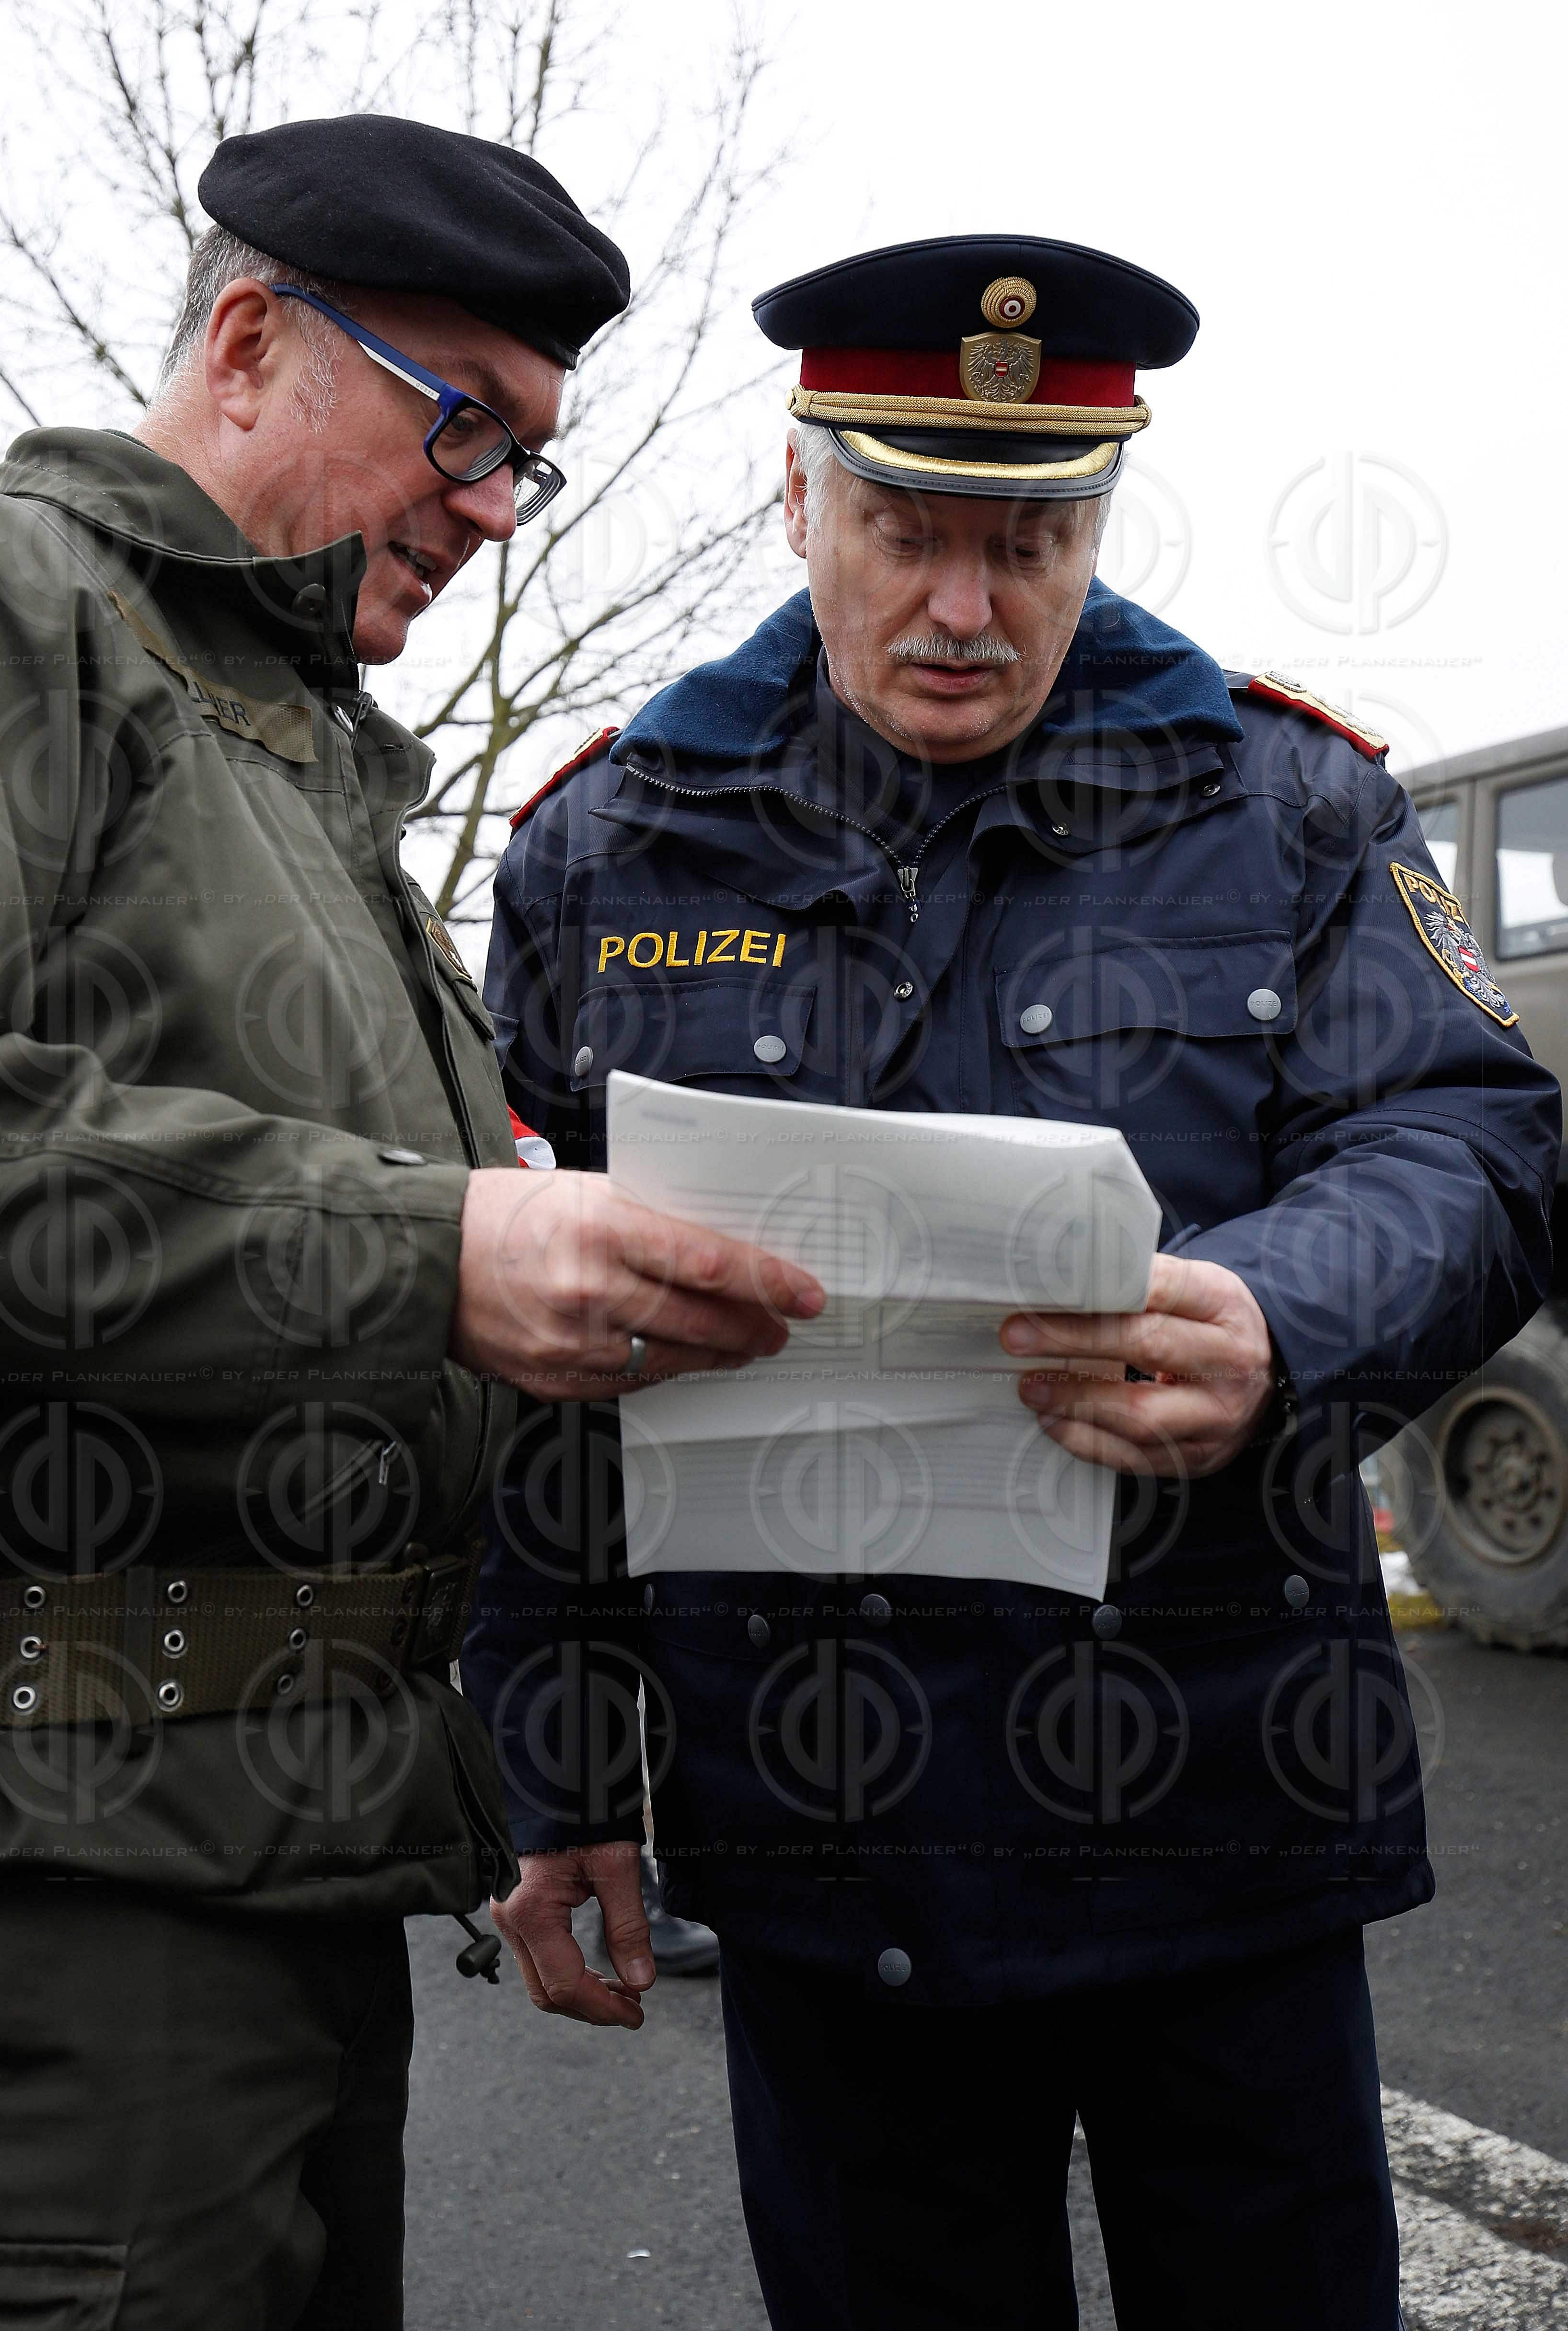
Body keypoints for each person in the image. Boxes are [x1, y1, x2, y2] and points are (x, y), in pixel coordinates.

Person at [464, 234, 1561, 2330]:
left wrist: (1276, 1311)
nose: (964, 608)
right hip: (816, 1832)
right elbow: (538, 1355)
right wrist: (558, 1762)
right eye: (903, 528)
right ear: (796, 498)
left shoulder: (1288, 801)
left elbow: (1472, 1140)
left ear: (1103, 516)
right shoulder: (614, 844)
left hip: (1222, 1811)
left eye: (1032, 536)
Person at [0, 114, 821, 2330]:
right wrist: (423, 1245)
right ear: (253, 337)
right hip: (55, 1902)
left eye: (526, 459)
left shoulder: (306, 768)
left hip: (289, 1871)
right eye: (462, 422)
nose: (494, 504)